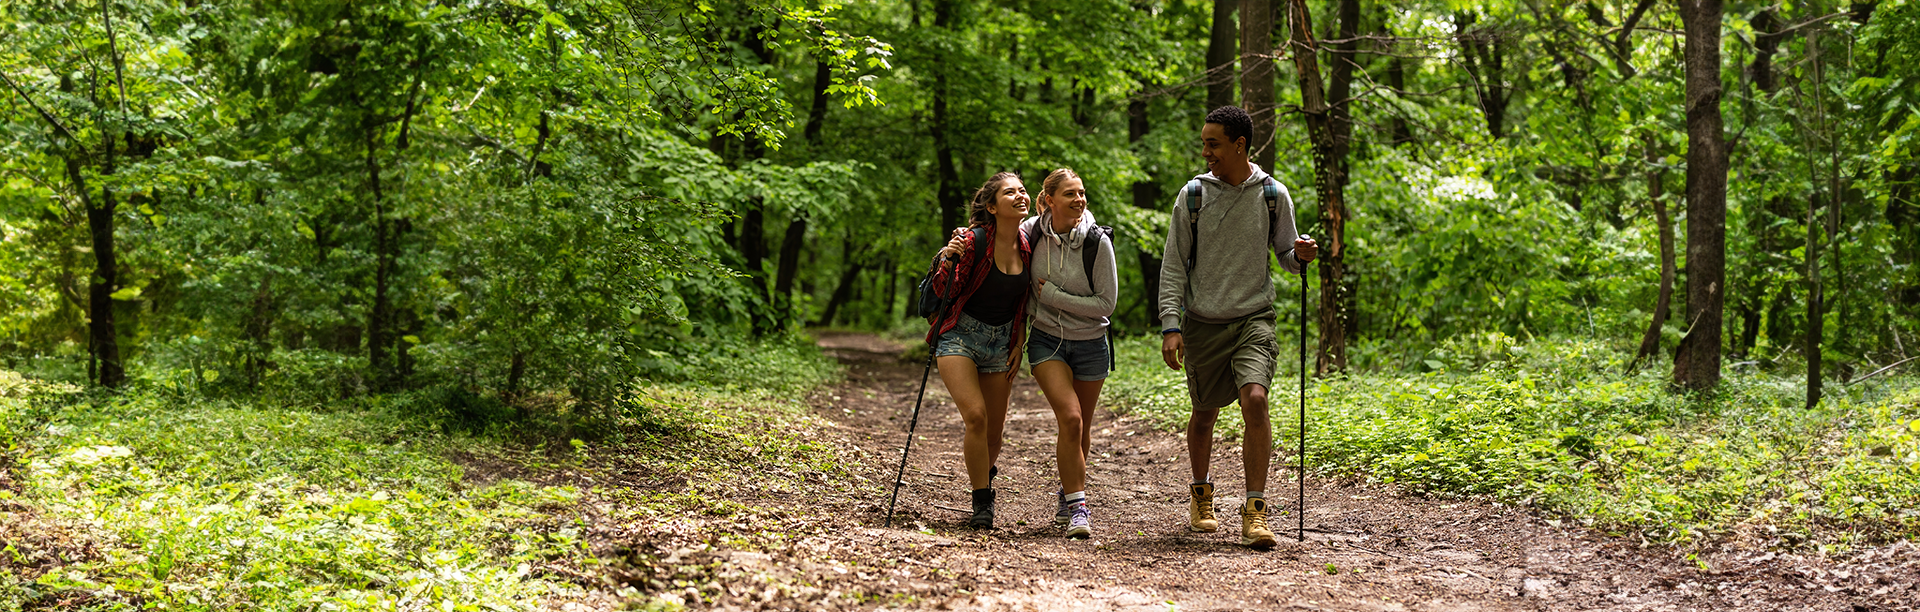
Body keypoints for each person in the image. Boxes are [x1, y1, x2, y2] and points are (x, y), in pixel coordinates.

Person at [1157, 105, 1319, 548]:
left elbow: (1286, 254)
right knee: (1205, 414)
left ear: (1239, 145)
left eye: (1213, 143)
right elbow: (1173, 266)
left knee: (1256, 399)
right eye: (1205, 142)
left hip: (1253, 317)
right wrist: (1171, 324)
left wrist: (1300, 255)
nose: (1205, 151)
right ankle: (1202, 494)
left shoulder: (1272, 195)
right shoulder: (1193, 196)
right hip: (1204, 322)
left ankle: (1255, 510)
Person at [928, 171, 1035, 530]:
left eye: (1022, 190)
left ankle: (984, 482)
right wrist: (948, 258)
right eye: (1010, 193)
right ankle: (981, 503)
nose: (1020, 196)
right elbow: (945, 292)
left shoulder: (1027, 244)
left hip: (1000, 343)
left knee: (994, 433)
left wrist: (1018, 342)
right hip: (959, 335)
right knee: (976, 416)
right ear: (992, 206)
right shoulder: (972, 241)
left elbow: (1024, 301)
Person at [1018, 168, 1117, 540]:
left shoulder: (1096, 242)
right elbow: (995, 241)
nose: (1079, 200)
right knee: (1071, 419)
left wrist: (1054, 296)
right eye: (1070, 194)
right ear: (1048, 201)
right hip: (1046, 340)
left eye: (1082, 193)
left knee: (1080, 428)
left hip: (1092, 343)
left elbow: (1107, 303)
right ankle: (1079, 507)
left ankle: (1067, 491)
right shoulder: (1029, 234)